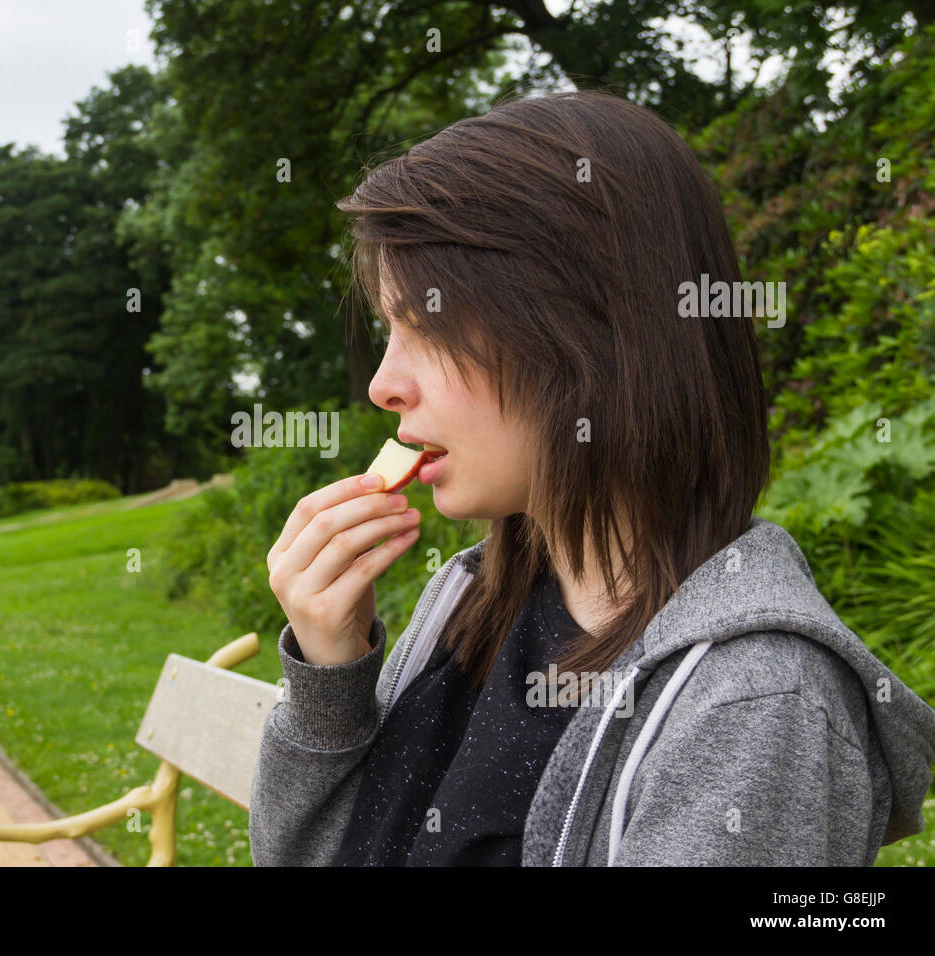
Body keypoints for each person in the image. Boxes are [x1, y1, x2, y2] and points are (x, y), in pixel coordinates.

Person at [248, 90, 935, 866]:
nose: (382, 383)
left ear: (588, 336)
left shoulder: (753, 701)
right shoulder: (467, 604)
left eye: (430, 325)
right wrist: (329, 676)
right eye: (390, 329)